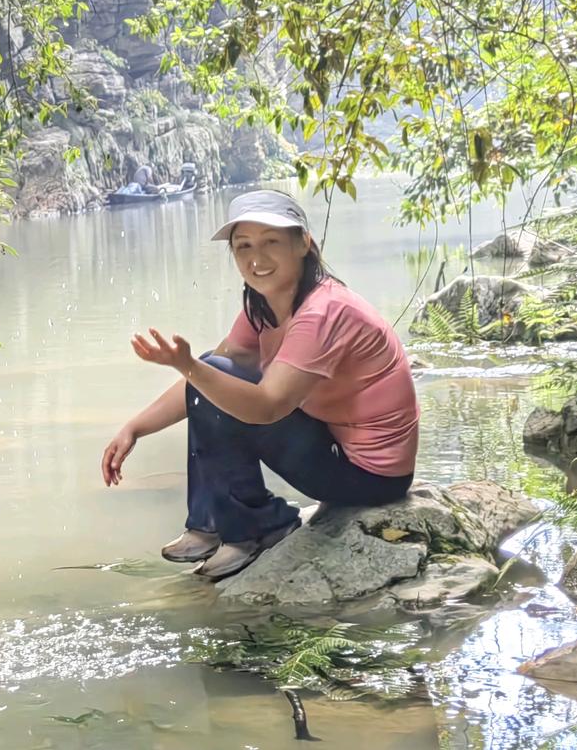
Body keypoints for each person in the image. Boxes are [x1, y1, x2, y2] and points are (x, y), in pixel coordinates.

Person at [100, 189, 419, 581]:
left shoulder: (324, 312)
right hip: (335, 451)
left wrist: (190, 367)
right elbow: (208, 377)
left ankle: (258, 526)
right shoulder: (265, 306)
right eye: (243, 246)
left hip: (371, 479)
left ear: (304, 243)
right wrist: (135, 427)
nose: (256, 259)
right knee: (213, 372)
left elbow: (268, 407)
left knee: (213, 375)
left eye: (271, 242)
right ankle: (210, 524)